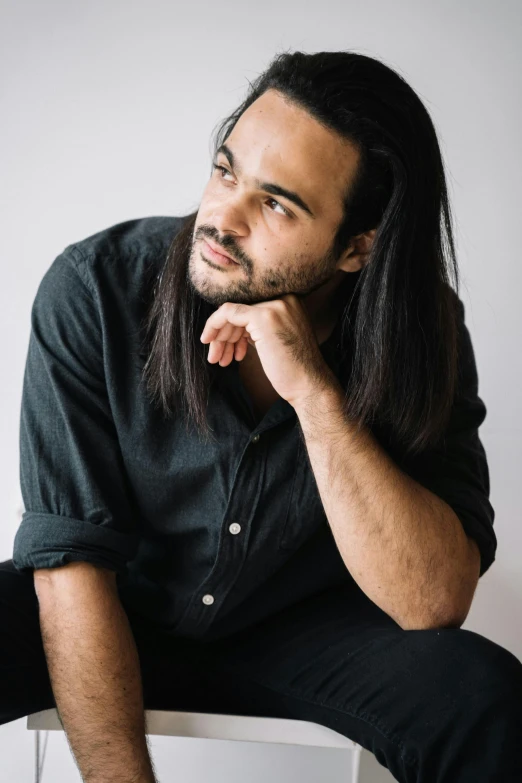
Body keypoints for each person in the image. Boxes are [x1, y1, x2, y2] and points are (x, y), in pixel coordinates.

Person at [3, 49, 522, 783]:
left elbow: (433, 600)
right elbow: (72, 570)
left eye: (277, 203)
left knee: (484, 697)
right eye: (226, 170)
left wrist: (315, 394)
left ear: (357, 247)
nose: (223, 216)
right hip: (115, 607)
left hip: (305, 632)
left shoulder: (419, 328)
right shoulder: (96, 290)